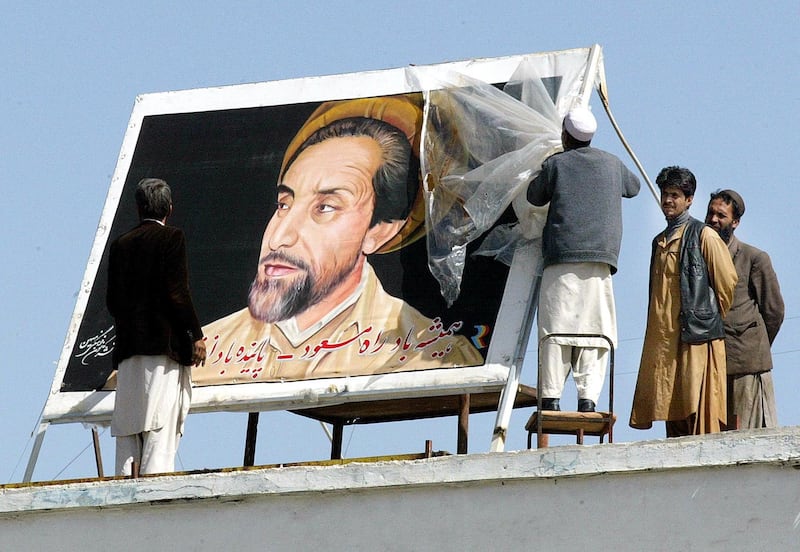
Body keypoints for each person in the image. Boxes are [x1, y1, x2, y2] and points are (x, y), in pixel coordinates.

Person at [193, 97, 482, 385]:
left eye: (326, 207)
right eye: (284, 204)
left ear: (380, 231)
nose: (280, 238)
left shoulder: (438, 357)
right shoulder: (204, 353)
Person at [526, 106, 640, 412]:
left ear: (565, 135)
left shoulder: (556, 164)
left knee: (556, 330)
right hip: (601, 263)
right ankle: (588, 398)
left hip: (562, 259)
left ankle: (550, 397)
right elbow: (634, 187)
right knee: (593, 331)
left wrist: (545, 165)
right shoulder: (611, 163)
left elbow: (533, 196)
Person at [107, 178, 206, 476]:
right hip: (163, 351)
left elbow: (113, 302)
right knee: (159, 428)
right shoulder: (171, 239)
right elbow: (177, 293)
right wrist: (196, 335)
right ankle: (154, 491)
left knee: (129, 428)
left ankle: (125, 486)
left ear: (138, 208)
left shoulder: (120, 245)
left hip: (128, 353)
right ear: (170, 209)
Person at [630, 167, 737, 436]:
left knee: (698, 410)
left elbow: (726, 284)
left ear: (689, 200)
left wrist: (705, 319)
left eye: (675, 195)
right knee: (671, 407)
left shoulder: (704, 235)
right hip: (666, 343)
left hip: (697, 339)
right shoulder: (660, 242)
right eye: (665, 194)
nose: (668, 201)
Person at [705, 189, 784, 429]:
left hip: (747, 368)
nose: (714, 220)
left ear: (735, 222)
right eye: (711, 213)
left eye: (721, 215)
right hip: (712, 366)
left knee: (748, 435)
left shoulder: (754, 258)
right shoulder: (700, 256)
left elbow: (774, 311)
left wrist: (752, 345)